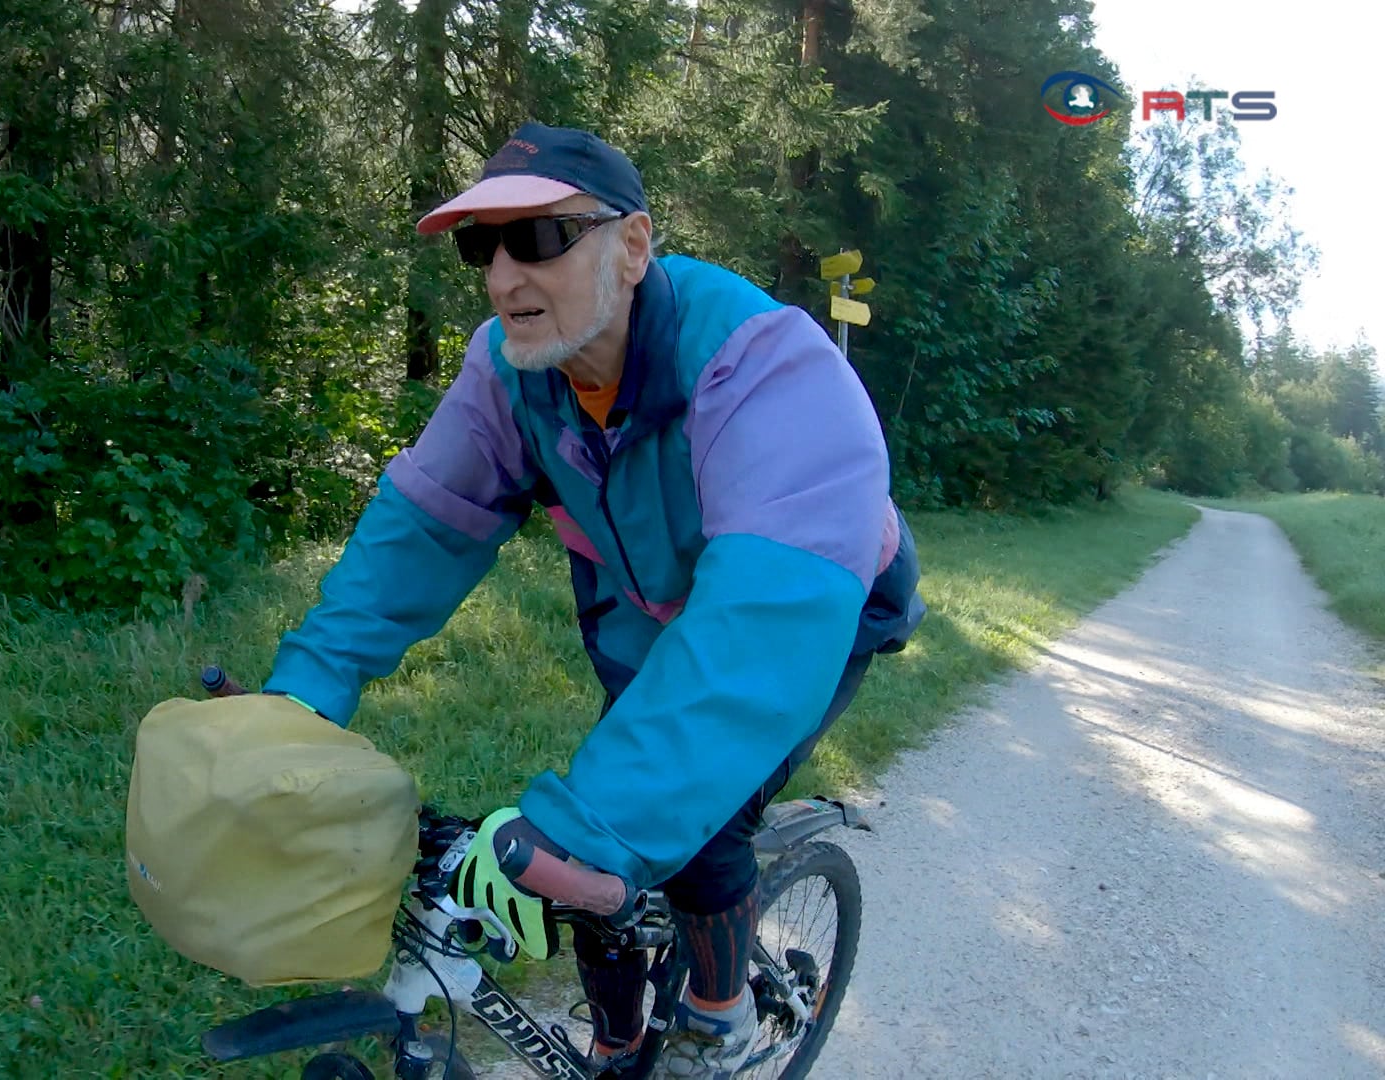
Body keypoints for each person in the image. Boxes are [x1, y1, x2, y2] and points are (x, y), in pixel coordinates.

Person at [260, 121, 925, 1077]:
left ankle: (717, 1016)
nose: (502, 277)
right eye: (480, 246)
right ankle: (615, 1047)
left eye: (537, 239)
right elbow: (425, 527)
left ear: (634, 243)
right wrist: (304, 693)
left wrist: (591, 825)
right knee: (573, 851)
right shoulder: (511, 367)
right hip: (648, 604)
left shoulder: (765, 364)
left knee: (693, 826)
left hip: (819, 602)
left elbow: (759, 633)